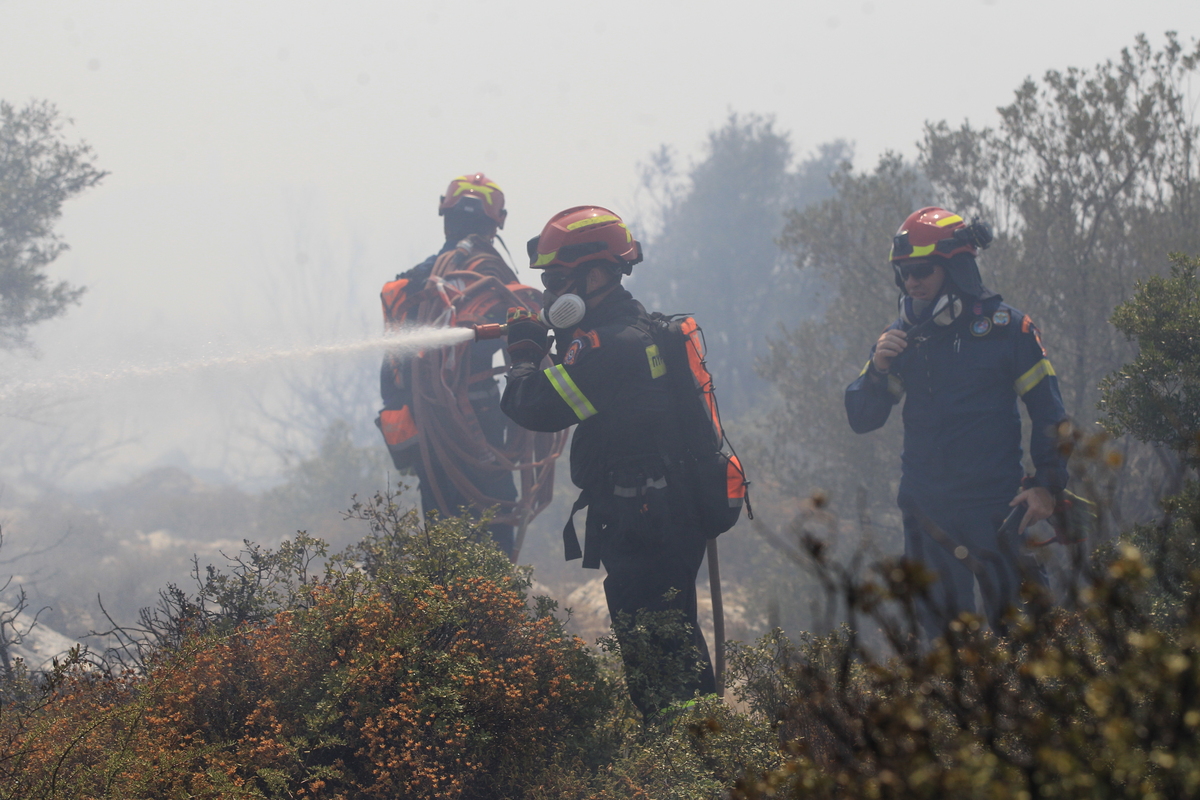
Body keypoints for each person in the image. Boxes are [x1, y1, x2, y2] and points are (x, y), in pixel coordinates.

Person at [499, 206, 716, 717]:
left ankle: (693, 752)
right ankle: (700, 748)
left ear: (595, 276)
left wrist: (525, 358)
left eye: (556, 281)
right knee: (670, 644)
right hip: (661, 516)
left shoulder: (609, 346)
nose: (548, 294)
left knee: (660, 656)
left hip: (645, 522)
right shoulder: (631, 328)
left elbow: (536, 407)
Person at [844, 206, 1070, 640]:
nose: (912, 282)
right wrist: (877, 370)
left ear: (955, 267)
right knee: (943, 647)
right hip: (927, 510)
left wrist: (1046, 486)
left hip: (997, 506)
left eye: (922, 270)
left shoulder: (1010, 329)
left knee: (1027, 639)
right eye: (904, 273)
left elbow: (1050, 413)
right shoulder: (902, 338)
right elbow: (862, 419)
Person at [377, 173, 526, 558]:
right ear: (495, 226)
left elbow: (392, 372)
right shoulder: (489, 282)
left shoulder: (411, 285)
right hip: (479, 418)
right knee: (495, 519)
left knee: (444, 529)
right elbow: (523, 343)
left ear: (445, 218)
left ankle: (454, 595)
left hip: (429, 425)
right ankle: (492, 596)